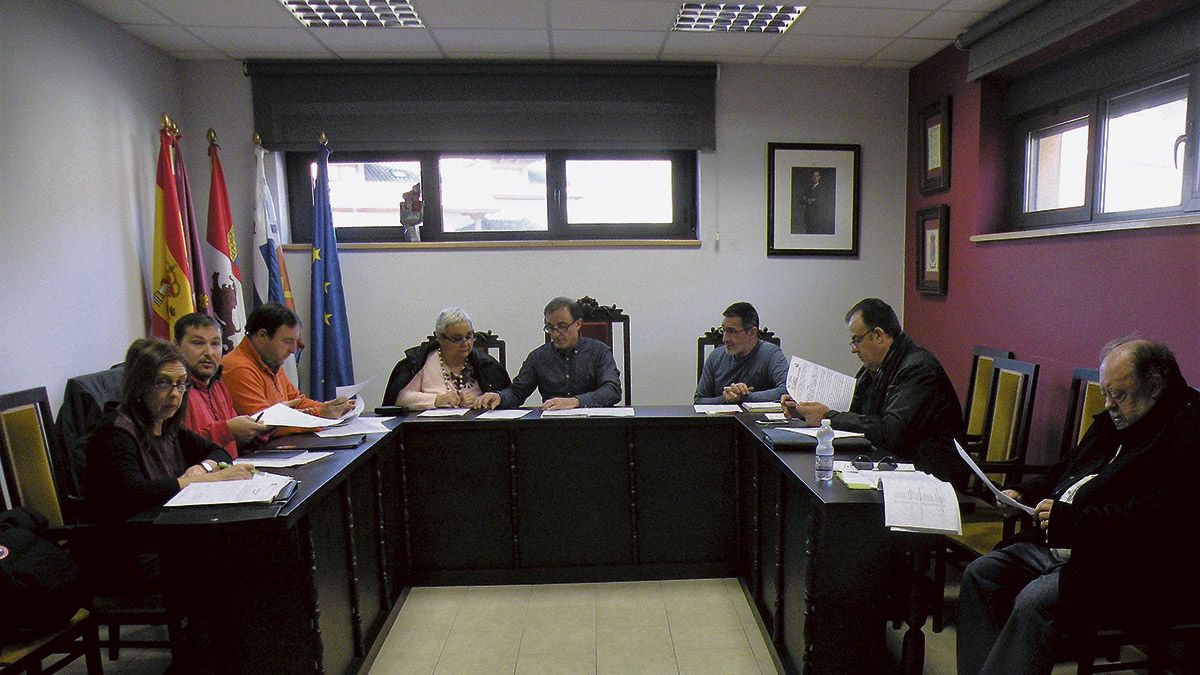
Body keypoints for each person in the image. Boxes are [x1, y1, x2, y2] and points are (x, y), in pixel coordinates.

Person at [956, 338, 1200, 675]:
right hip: (1067, 544)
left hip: (1130, 565)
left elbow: (1155, 517)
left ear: (1156, 385)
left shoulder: (1188, 430)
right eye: (1105, 394)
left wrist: (1072, 520)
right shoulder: (1119, 419)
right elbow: (1068, 470)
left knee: (1034, 602)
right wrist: (1023, 494)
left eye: (1119, 395)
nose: (1110, 404)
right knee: (981, 574)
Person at [781, 297, 964, 484]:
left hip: (928, 473)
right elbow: (854, 408)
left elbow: (891, 432)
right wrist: (804, 408)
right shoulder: (877, 366)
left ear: (878, 335)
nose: (854, 350)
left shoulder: (918, 369)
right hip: (893, 461)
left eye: (856, 340)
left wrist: (828, 416)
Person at [85, 338, 254, 524]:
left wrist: (202, 467)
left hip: (168, 527)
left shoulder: (167, 425)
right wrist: (213, 478)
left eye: (181, 383)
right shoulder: (114, 433)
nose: (175, 393)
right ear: (139, 386)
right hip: (131, 542)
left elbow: (218, 452)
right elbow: (134, 493)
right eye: (163, 383)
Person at [477, 297, 621, 410]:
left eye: (562, 327)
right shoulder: (538, 357)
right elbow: (517, 392)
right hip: (552, 426)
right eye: (550, 328)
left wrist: (576, 402)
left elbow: (612, 390)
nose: (556, 333)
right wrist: (499, 397)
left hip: (594, 424)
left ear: (578, 324)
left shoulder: (599, 352)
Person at [221, 302, 353, 422]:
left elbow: (297, 401)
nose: (293, 350)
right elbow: (263, 422)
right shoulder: (238, 368)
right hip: (261, 447)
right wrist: (321, 413)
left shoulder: (270, 360)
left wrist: (333, 407)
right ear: (262, 336)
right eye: (287, 341)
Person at [174, 312, 269, 457]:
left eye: (215, 344)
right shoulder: (175, 391)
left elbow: (234, 443)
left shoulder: (217, 383)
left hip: (232, 470)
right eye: (198, 343)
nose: (209, 352)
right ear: (177, 346)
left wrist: (255, 431)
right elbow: (178, 450)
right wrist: (227, 430)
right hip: (201, 476)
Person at [382, 307, 511, 410]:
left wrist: (481, 401)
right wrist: (437, 400)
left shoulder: (486, 364)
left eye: (469, 336)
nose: (465, 343)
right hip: (430, 432)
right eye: (457, 339)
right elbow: (400, 398)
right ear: (440, 338)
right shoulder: (422, 362)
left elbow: (504, 397)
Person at [695, 302, 788, 405]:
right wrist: (726, 398)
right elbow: (699, 400)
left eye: (731, 331)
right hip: (722, 420)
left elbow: (786, 391)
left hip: (759, 419)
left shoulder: (771, 354)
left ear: (752, 333)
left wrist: (745, 397)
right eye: (724, 330)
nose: (725, 339)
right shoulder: (715, 356)